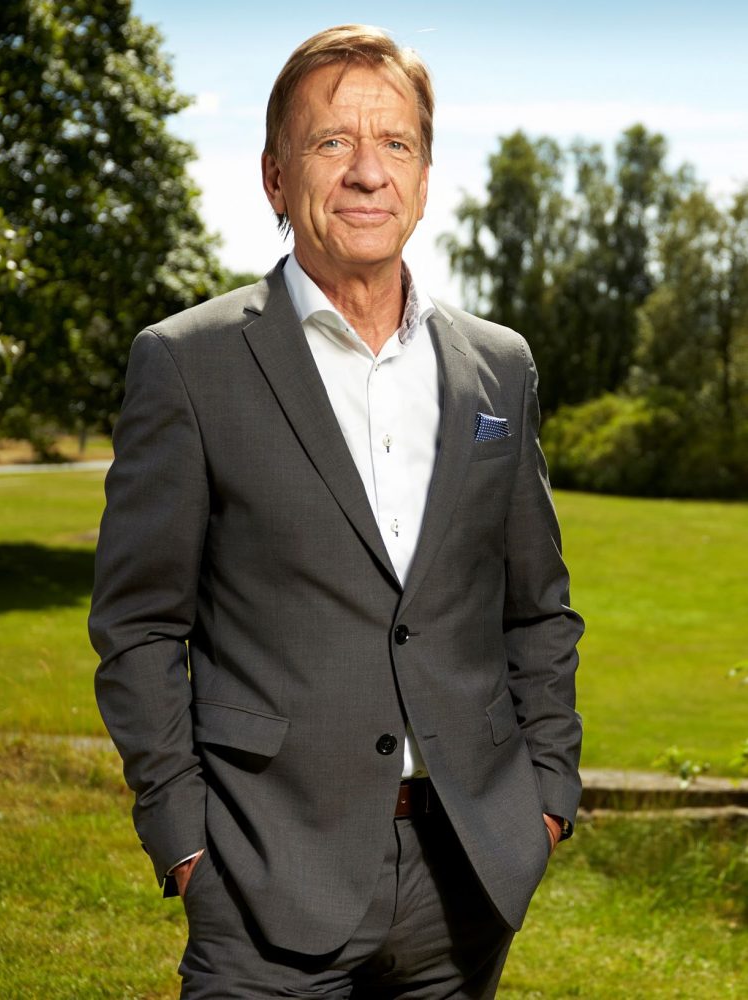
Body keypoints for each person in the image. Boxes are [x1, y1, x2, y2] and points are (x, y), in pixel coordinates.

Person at [89, 23, 583, 999]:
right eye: (332, 142)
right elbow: (139, 625)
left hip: (467, 876)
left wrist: (548, 795)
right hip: (262, 873)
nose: (367, 171)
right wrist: (185, 841)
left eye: (395, 143)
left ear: (425, 178)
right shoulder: (187, 363)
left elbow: (537, 607)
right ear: (276, 177)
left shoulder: (500, 365)